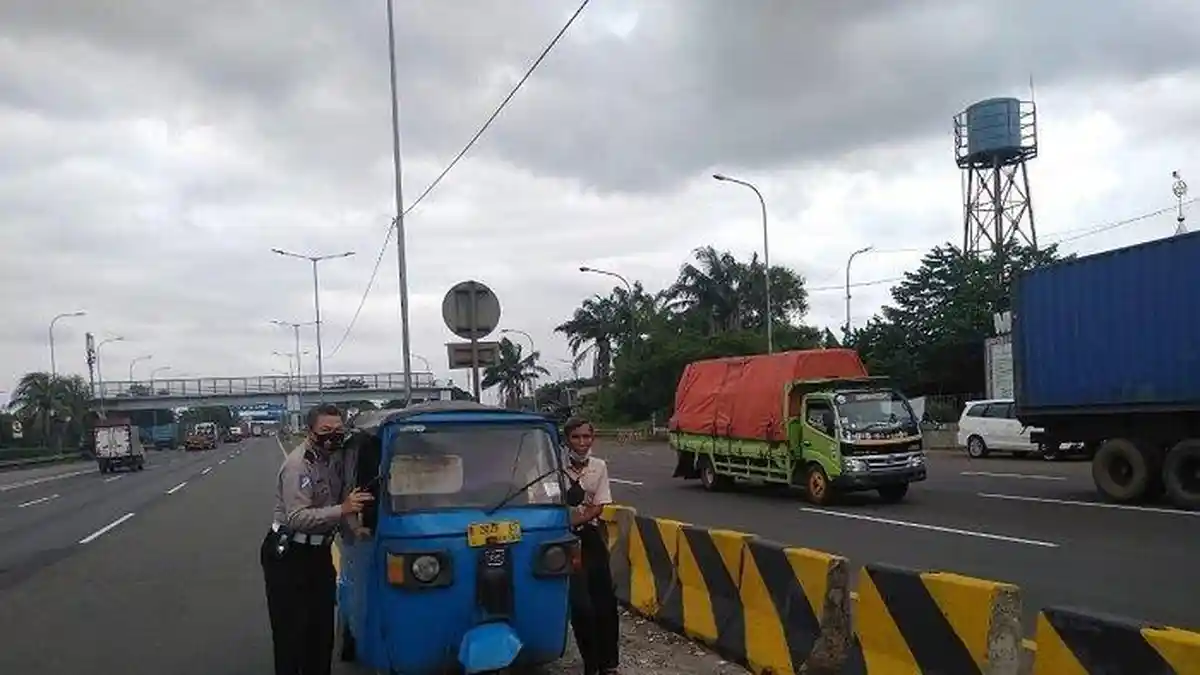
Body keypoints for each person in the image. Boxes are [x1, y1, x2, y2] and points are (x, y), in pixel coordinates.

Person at [260, 403, 374, 675]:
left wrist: (355, 528)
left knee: (321, 630)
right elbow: (298, 517)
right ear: (310, 431)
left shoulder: (336, 459)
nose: (332, 435)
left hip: (319, 554)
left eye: (338, 429)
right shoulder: (298, 466)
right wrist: (343, 509)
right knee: (291, 634)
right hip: (289, 554)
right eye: (325, 430)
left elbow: (343, 498)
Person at [563, 416, 621, 675]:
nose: (582, 442)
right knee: (581, 605)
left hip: (590, 536)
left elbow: (599, 506)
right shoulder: (553, 467)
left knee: (605, 601)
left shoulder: (599, 467)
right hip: (564, 540)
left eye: (586, 436)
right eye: (576, 437)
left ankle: (609, 664)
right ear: (567, 440)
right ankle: (591, 663)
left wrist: (575, 519)